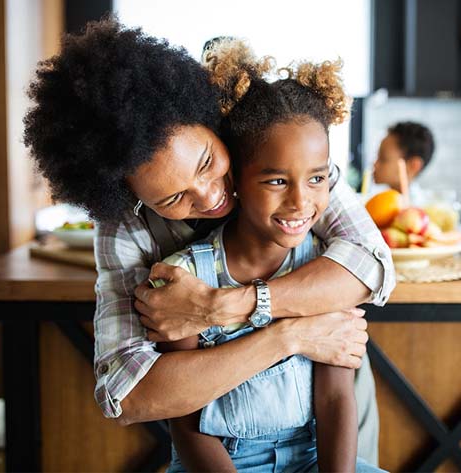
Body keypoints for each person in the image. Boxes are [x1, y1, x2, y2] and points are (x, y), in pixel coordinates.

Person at [23, 18, 394, 465]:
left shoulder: (277, 155)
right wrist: (290, 336)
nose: (210, 195)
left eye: (206, 163)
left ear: (212, 123)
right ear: (129, 196)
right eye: (174, 197)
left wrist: (222, 307)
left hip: (329, 429)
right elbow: (130, 393)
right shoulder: (126, 228)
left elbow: (370, 264)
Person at [154, 39, 383, 472]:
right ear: (234, 180)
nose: (301, 202)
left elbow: (335, 397)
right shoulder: (186, 279)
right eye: (277, 181)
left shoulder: (325, 271)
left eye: (317, 178)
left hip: (312, 459)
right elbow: (186, 424)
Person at [371, 121, 435, 205]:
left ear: (413, 166)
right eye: (378, 156)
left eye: (383, 159)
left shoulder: (418, 210)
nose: (375, 164)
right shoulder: (377, 202)